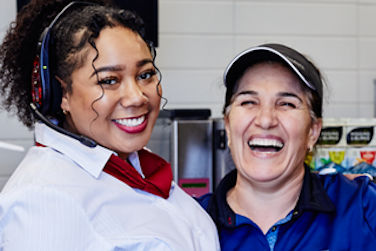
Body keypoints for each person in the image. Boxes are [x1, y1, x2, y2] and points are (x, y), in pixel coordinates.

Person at [0, 0, 219, 250]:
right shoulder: (42, 200)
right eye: (109, 80)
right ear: (61, 94)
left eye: (145, 74)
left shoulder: (136, 168)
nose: (137, 96)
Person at [198, 43, 376, 250]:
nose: (265, 120)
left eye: (287, 104)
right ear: (228, 126)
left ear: (313, 132)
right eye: (249, 102)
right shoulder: (191, 221)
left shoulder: (361, 207)